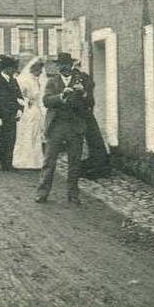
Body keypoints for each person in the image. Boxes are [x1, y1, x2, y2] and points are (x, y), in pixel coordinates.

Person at [36, 52, 94, 205]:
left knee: (74, 163)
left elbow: (91, 103)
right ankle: (42, 193)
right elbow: (46, 101)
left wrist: (83, 93)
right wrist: (62, 96)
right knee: (49, 161)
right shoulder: (52, 82)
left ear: (71, 65)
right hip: (56, 126)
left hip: (75, 127)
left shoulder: (81, 81)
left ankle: (73, 195)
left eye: (67, 65)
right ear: (57, 67)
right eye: (61, 65)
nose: (64, 67)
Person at [0, 55, 24, 171]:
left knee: (10, 139)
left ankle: (7, 163)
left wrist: (19, 109)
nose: (14, 70)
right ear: (6, 68)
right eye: (12, 68)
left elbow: (19, 97)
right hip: (0, 115)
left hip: (11, 115)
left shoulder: (13, 81)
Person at [12, 57, 47, 170]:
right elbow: (18, 95)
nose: (41, 72)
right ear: (33, 69)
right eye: (39, 70)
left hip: (35, 110)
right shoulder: (24, 80)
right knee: (26, 133)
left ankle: (35, 161)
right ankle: (24, 161)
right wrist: (27, 101)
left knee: (35, 134)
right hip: (26, 110)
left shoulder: (36, 81)